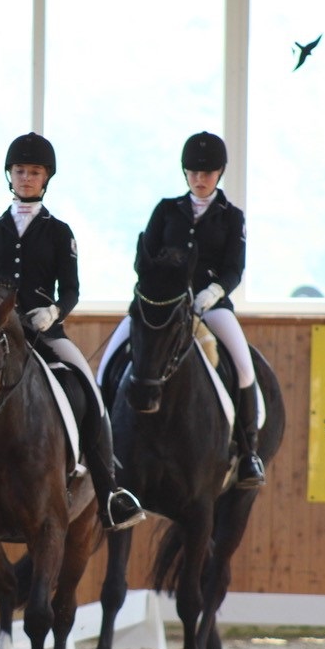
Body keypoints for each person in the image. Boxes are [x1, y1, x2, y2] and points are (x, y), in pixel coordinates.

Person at [0, 132, 146, 531]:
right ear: (9, 175)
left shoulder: (60, 232)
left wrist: (53, 311)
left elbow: (72, 289)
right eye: (20, 171)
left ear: (46, 178)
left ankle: (109, 490)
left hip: (44, 333)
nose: (26, 178)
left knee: (88, 390)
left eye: (34, 172)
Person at [99, 130, 264, 488]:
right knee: (108, 362)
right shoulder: (166, 210)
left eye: (206, 173)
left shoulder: (231, 217)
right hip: (163, 306)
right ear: (185, 173)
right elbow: (144, 256)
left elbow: (235, 267)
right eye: (193, 172)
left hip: (210, 307)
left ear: (219, 173)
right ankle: (98, 442)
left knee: (243, 365)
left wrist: (213, 292)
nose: (200, 179)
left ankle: (249, 450)